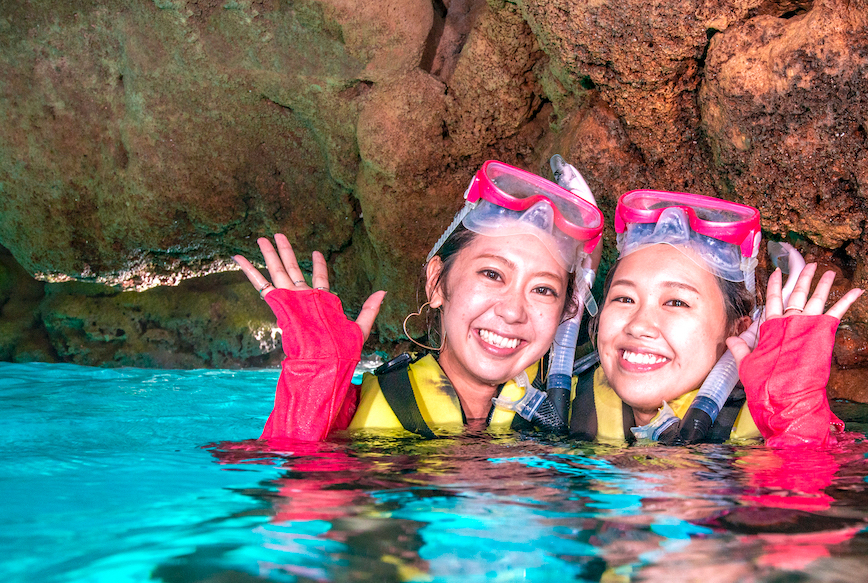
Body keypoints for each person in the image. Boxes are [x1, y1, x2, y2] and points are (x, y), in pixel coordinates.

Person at [233, 160, 603, 441]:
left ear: (565, 312)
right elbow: (292, 512)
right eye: (492, 274)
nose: (512, 310)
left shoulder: (584, 410)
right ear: (437, 283)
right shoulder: (350, 411)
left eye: (543, 289)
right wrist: (316, 372)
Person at [570, 189, 863, 448]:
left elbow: (814, 497)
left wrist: (796, 418)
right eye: (624, 299)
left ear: (737, 331)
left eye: (676, 302)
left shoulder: (764, 430)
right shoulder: (563, 405)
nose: (639, 325)